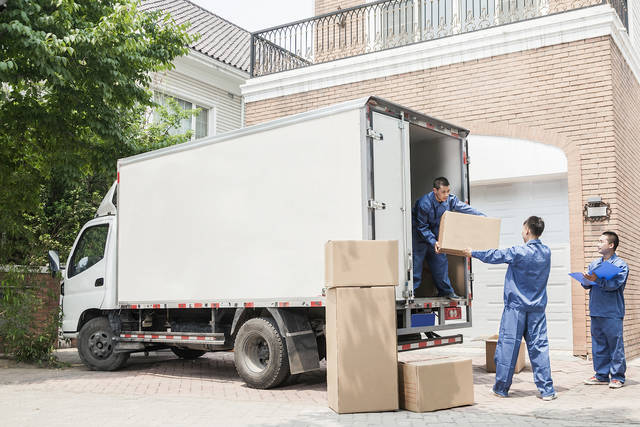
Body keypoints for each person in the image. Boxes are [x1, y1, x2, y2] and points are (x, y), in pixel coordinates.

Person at [462, 216, 556, 400]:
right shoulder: (546, 252)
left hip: (516, 308)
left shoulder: (519, 252)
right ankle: (547, 390)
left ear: (527, 230)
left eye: (523, 229)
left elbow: (495, 256)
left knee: (508, 347)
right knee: (539, 347)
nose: (522, 232)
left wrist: (473, 253)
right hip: (537, 308)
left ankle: (501, 388)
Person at [412, 176, 485, 298]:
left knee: (440, 262)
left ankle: (446, 291)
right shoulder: (424, 203)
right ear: (435, 191)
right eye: (443, 192)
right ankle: (412, 291)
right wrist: (433, 241)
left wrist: (480, 215)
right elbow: (422, 227)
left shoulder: (450, 200)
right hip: (420, 235)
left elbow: (464, 208)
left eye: (448, 191)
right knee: (416, 262)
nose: (446, 194)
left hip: (436, 233)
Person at [581, 231, 628, 389]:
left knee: (615, 345)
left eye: (601, 241)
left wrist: (597, 280)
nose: (597, 244)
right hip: (596, 310)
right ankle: (601, 375)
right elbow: (586, 285)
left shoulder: (620, 265)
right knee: (598, 345)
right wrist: (586, 280)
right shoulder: (594, 264)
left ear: (611, 245)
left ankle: (617, 377)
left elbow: (614, 285)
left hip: (612, 312)